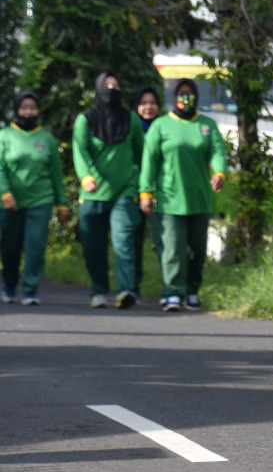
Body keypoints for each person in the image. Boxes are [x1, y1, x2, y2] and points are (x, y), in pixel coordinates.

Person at [139, 79, 228, 312]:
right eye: (181, 94)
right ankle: (173, 292)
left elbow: (218, 151)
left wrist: (220, 172)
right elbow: (149, 160)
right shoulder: (161, 125)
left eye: (189, 94)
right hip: (169, 200)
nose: (185, 98)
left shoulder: (207, 125)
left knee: (198, 250)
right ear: (173, 96)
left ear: (196, 97)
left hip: (199, 199)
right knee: (173, 249)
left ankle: (192, 290)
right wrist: (146, 192)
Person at [73, 72, 145, 309]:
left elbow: (142, 155)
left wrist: (144, 188)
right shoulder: (85, 120)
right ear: (98, 88)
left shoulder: (131, 119)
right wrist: (86, 178)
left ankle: (125, 290)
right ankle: (99, 290)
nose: (111, 89)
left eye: (116, 85)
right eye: (107, 85)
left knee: (123, 241)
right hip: (93, 194)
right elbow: (80, 152)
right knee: (94, 246)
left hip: (124, 192)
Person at [0, 91, 69, 304]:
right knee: (10, 247)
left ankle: (30, 290)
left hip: (40, 200)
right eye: (24, 108)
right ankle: (9, 285)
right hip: (10, 203)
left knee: (36, 246)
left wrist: (62, 204)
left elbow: (56, 173)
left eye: (32, 108)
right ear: (17, 110)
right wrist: (5, 193)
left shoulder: (46, 138)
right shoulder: (5, 135)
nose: (28, 112)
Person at [132, 85, 164, 286]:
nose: (148, 107)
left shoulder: (166, 128)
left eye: (152, 103)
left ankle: (170, 287)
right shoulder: (131, 129)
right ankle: (132, 286)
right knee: (134, 242)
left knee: (163, 241)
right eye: (143, 103)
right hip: (134, 192)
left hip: (160, 194)